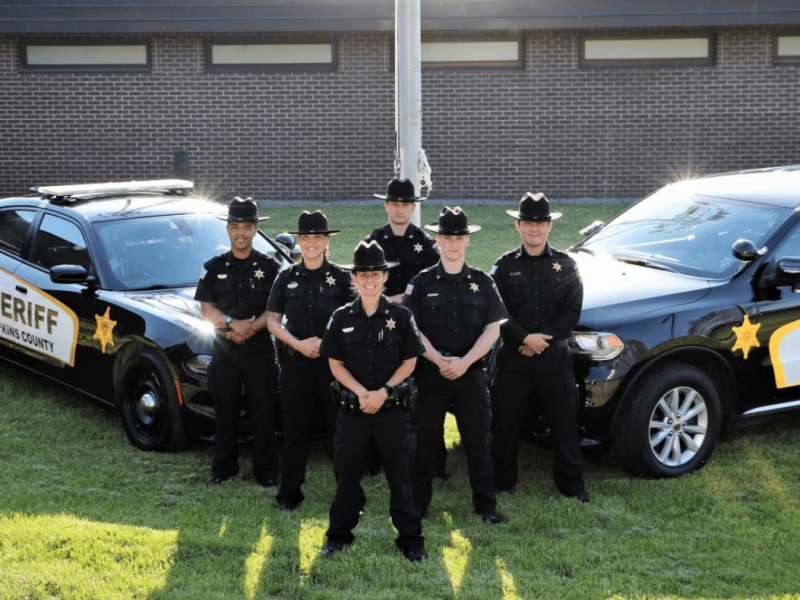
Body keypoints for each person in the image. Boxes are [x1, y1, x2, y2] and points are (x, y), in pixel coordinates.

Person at [318, 240, 428, 562]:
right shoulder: (339, 318)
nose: (369, 280)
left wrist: (383, 392)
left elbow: (410, 361)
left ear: (384, 277)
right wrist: (361, 393)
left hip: (392, 411)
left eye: (375, 274)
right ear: (353, 279)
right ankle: (338, 536)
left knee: (401, 480)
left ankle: (411, 542)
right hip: (353, 411)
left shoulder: (401, 316)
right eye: (362, 274)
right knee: (346, 478)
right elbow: (334, 363)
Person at [403, 206, 507, 524]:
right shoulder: (420, 283)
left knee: (476, 443)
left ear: (467, 242)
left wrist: (465, 362)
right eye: (447, 237)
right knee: (424, 444)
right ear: (437, 240)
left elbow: (493, 328)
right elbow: (412, 327)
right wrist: (437, 359)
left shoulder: (482, 282)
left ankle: (486, 508)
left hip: (470, 374)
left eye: (459, 237)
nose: (453, 243)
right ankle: (418, 507)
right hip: (433, 374)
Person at [490, 192, 588, 502]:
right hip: (514, 359)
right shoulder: (503, 267)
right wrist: (525, 339)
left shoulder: (567, 264)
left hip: (554, 357)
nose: (534, 229)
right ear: (517, 226)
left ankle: (572, 485)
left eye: (540, 223)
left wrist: (541, 339)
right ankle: (502, 481)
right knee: (505, 423)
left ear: (549, 227)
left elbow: (572, 312)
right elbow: (497, 311)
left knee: (564, 423)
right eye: (528, 223)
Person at [267, 210, 353, 512]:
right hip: (296, 366)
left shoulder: (343, 278)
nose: (312, 243)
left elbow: (353, 320)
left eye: (318, 237)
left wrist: (325, 343)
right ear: (299, 241)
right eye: (306, 238)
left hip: (333, 367)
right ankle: (289, 495)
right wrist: (299, 344)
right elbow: (273, 322)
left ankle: (347, 496)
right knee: (294, 433)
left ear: (327, 240)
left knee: (340, 434)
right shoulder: (285, 277)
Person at [195, 197, 281, 488]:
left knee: (263, 412)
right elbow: (206, 309)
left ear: (255, 230)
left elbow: (276, 309)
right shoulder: (213, 267)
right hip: (224, 349)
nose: (241, 232)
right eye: (235, 227)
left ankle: (266, 472)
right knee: (225, 412)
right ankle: (223, 469)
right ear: (228, 230)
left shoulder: (270, 268)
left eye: (247, 226)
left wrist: (250, 327)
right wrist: (233, 324)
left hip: (259, 350)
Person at [364, 177, 440, 304]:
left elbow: (437, 284)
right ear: (386, 206)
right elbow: (360, 285)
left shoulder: (426, 244)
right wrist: (387, 300)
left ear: (413, 207)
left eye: (405, 205)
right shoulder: (372, 242)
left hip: (416, 312)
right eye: (395, 204)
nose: (400, 210)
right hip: (380, 311)